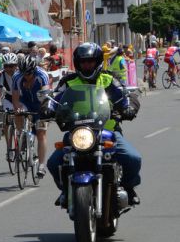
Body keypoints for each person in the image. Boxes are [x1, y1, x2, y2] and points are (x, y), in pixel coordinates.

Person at [44, 42, 141, 205]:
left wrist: (129, 107)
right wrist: (48, 108)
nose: (87, 65)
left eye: (90, 61)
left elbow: (126, 96)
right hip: (77, 133)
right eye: (83, 61)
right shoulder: (69, 82)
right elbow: (53, 98)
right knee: (53, 162)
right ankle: (66, 191)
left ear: (97, 62)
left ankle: (128, 188)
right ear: (78, 63)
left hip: (107, 132)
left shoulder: (109, 79)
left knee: (133, 158)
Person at [11, 56, 50, 176]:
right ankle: (21, 135)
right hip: (25, 101)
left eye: (28, 74)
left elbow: (45, 96)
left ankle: (41, 165)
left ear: (34, 70)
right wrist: (18, 108)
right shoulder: (17, 77)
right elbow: (15, 99)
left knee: (41, 133)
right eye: (23, 74)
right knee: (17, 112)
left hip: (40, 102)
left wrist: (43, 111)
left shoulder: (42, 75)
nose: (26, 76)